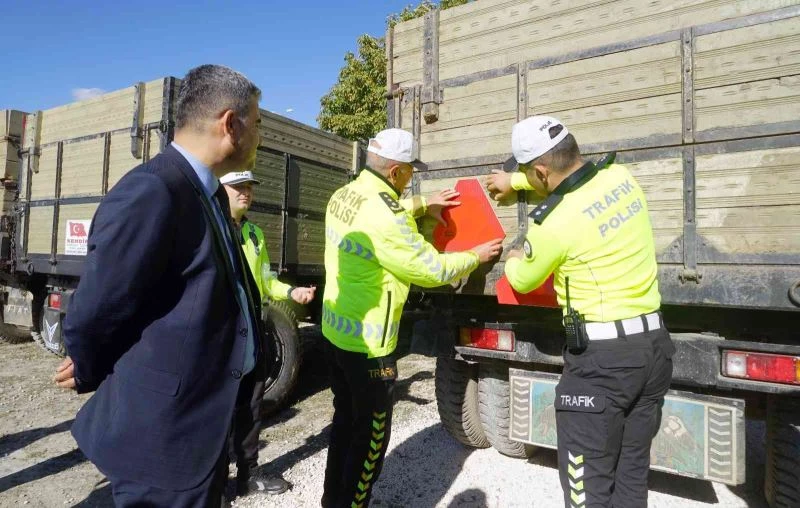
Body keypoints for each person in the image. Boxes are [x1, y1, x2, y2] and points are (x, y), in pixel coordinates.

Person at [54, 64, 267, 507]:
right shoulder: (156, 190)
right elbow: (97, 308)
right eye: (258, 123)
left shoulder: (203, 194)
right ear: (230, 124)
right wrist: (89, 364)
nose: (261, 137)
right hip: (164, 439)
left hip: (199, 428)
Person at [490, 115, 675, 507]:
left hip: (602, 368)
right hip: (654, 351)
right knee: (630, 478)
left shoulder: (552, 224)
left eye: (526, 172)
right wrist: (518, 183)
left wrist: (515, 253)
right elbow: (569, 180)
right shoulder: (622, 179)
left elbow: (521, 279)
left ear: (540, 170)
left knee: (587, 492)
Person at [321, 128, 503, 508]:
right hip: (372, 351)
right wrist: (476, 255)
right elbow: (429, 269)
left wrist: (423, 205)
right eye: (408, 172)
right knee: (371, 438)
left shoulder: (345, 194)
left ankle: (332, 502)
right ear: (395, 173)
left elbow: (382, 213)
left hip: (337, 336)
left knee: (344, 426)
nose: (410, 179)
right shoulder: (386, 214)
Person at [220, 170, 315, 498]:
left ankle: (248, 475)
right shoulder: (210, 229)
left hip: (253, 331)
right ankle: (215, 482)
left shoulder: (254, 233)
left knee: (251, 404)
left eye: (248, 187)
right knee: (218, 408)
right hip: (221, 333)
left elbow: (266, 280)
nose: (245, 193)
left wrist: (292, 293)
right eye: (237, 187)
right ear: (220, 189)